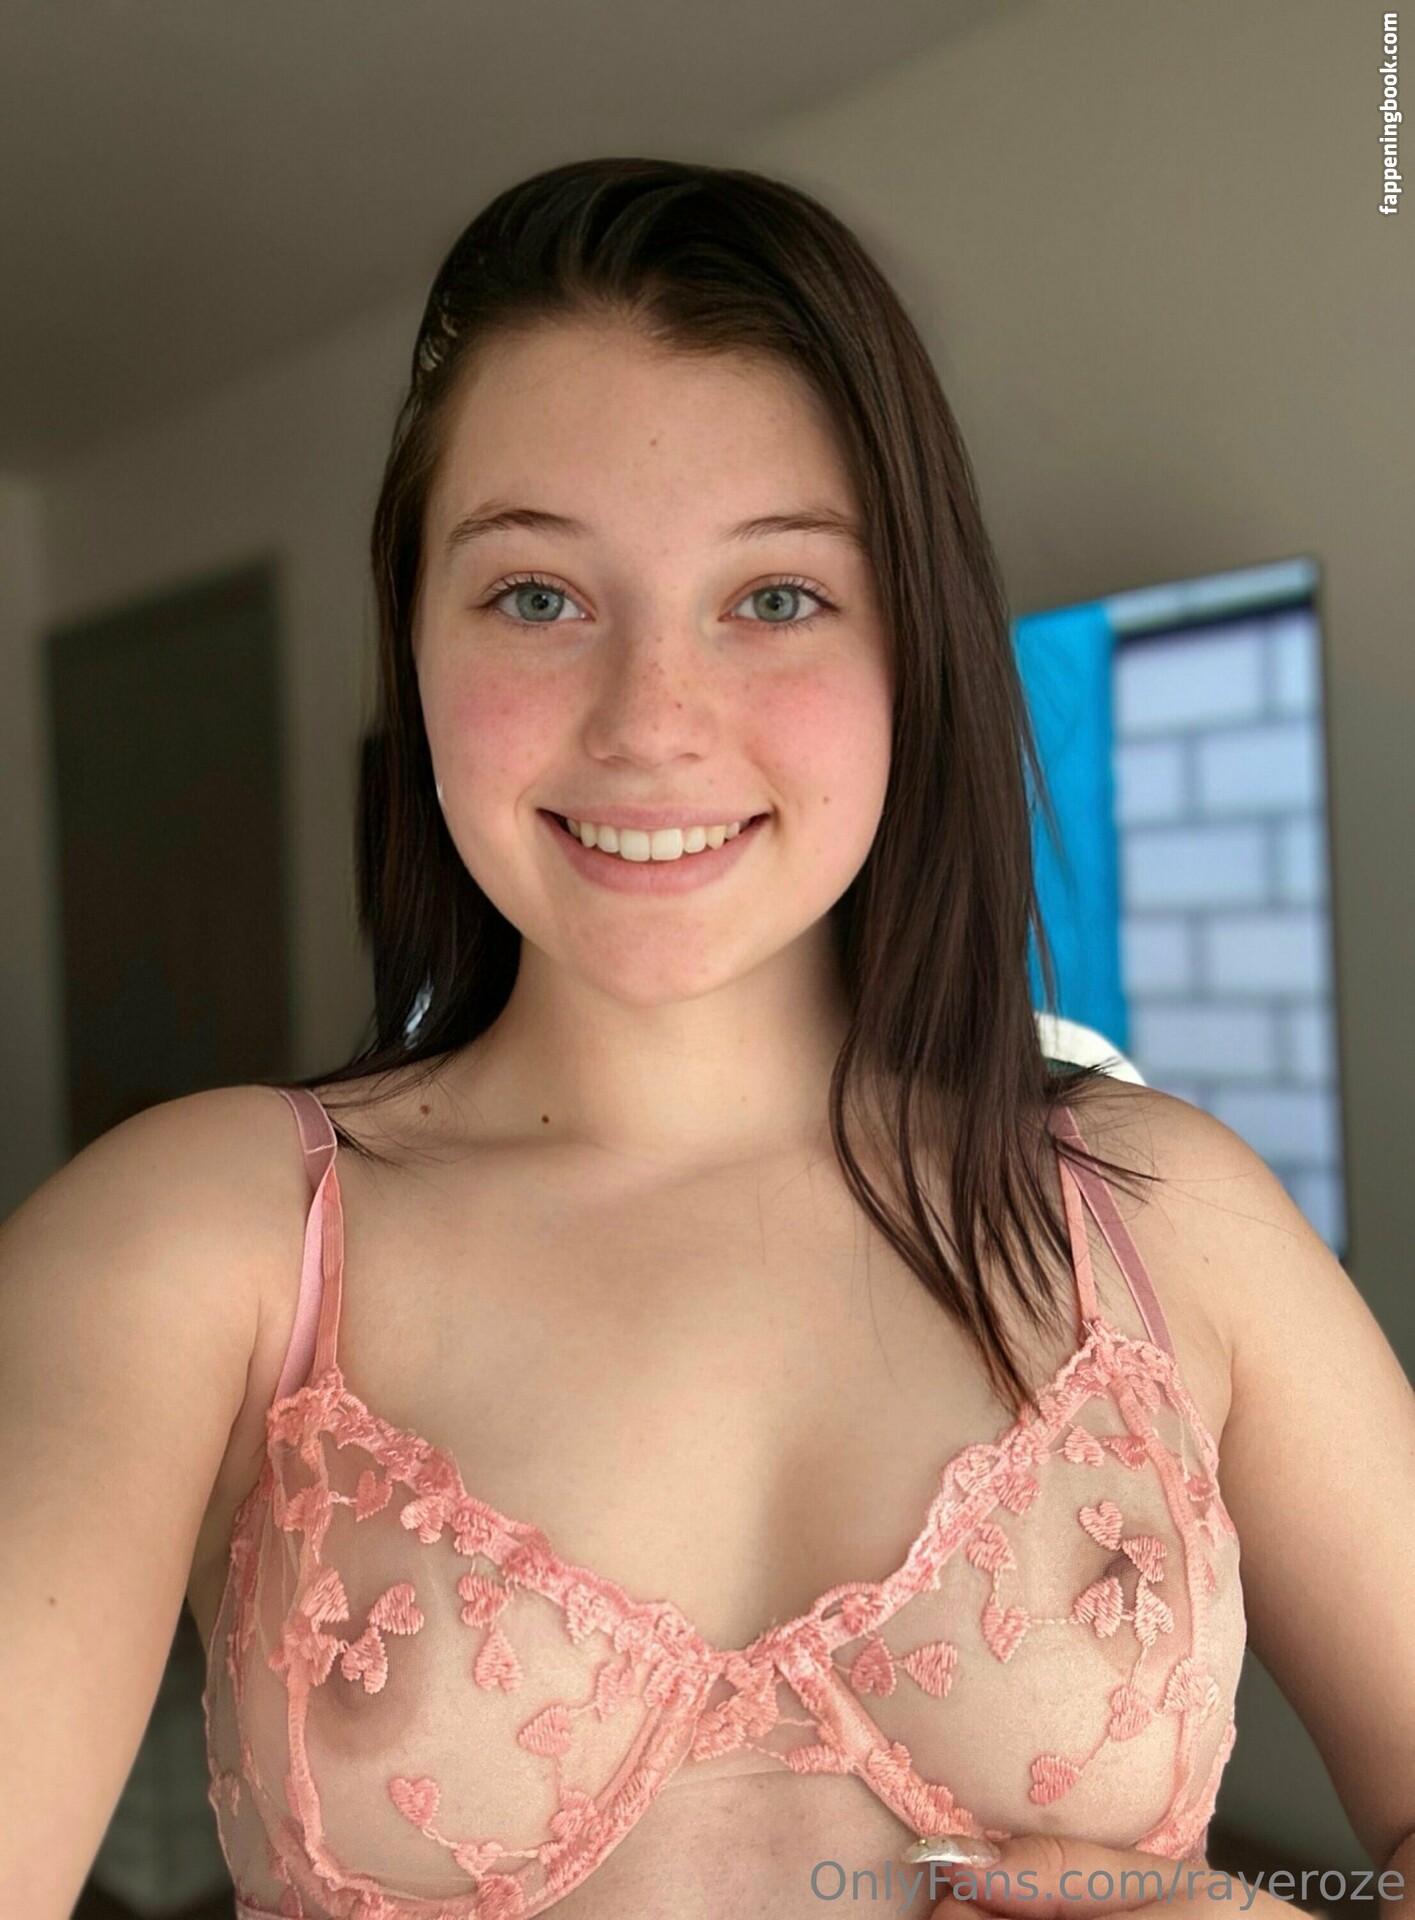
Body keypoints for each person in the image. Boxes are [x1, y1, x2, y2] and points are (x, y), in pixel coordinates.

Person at [3, 158, 1411, 1920]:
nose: (651, 724)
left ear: (914, 648)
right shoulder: (196, 1244)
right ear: (415, 643)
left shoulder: (1166, 1221)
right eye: (537, 595)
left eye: (776, 597)